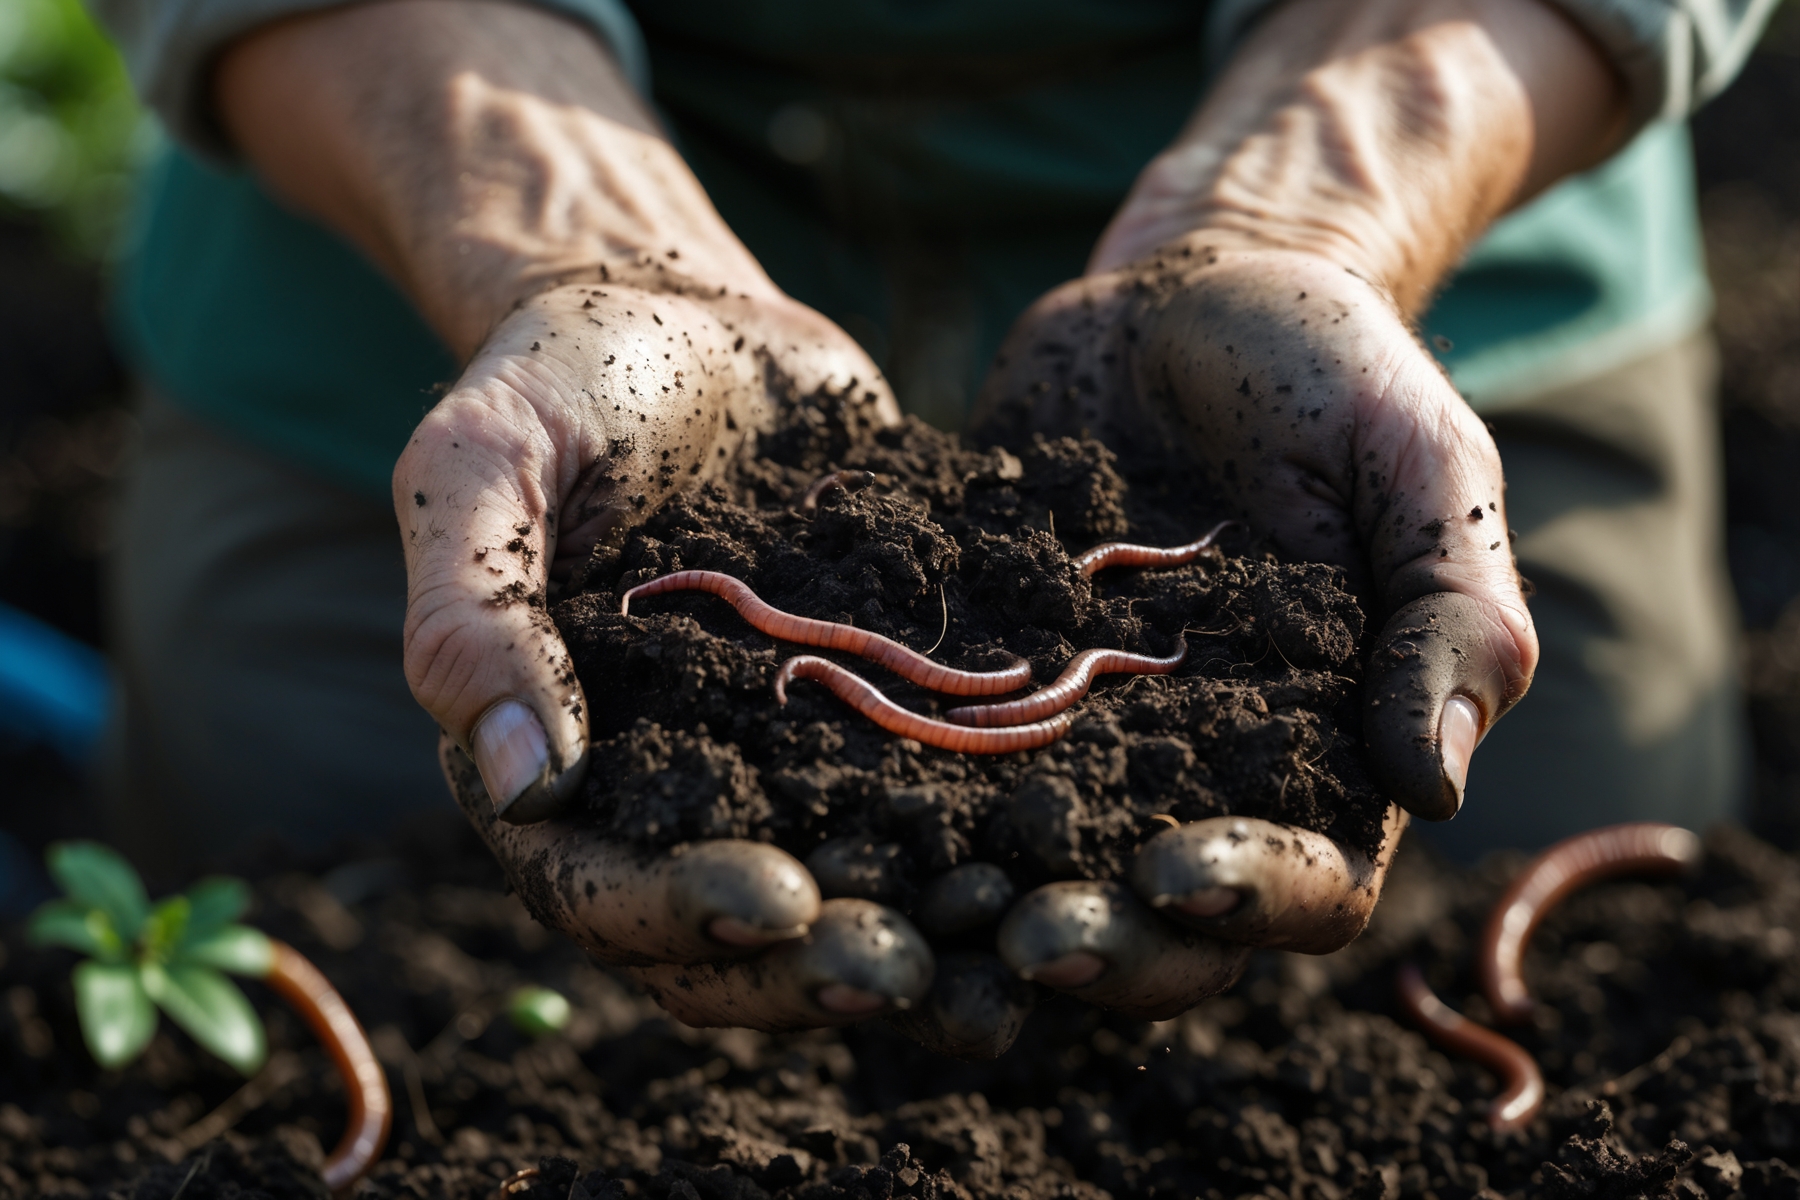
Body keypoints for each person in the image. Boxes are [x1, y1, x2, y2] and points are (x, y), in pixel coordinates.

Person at [87, 0, 1768, 1050]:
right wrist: (566, 249)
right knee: (332, 882)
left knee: (1589, 933)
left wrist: (1298, 213)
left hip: (1448, 150)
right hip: (412, 187)